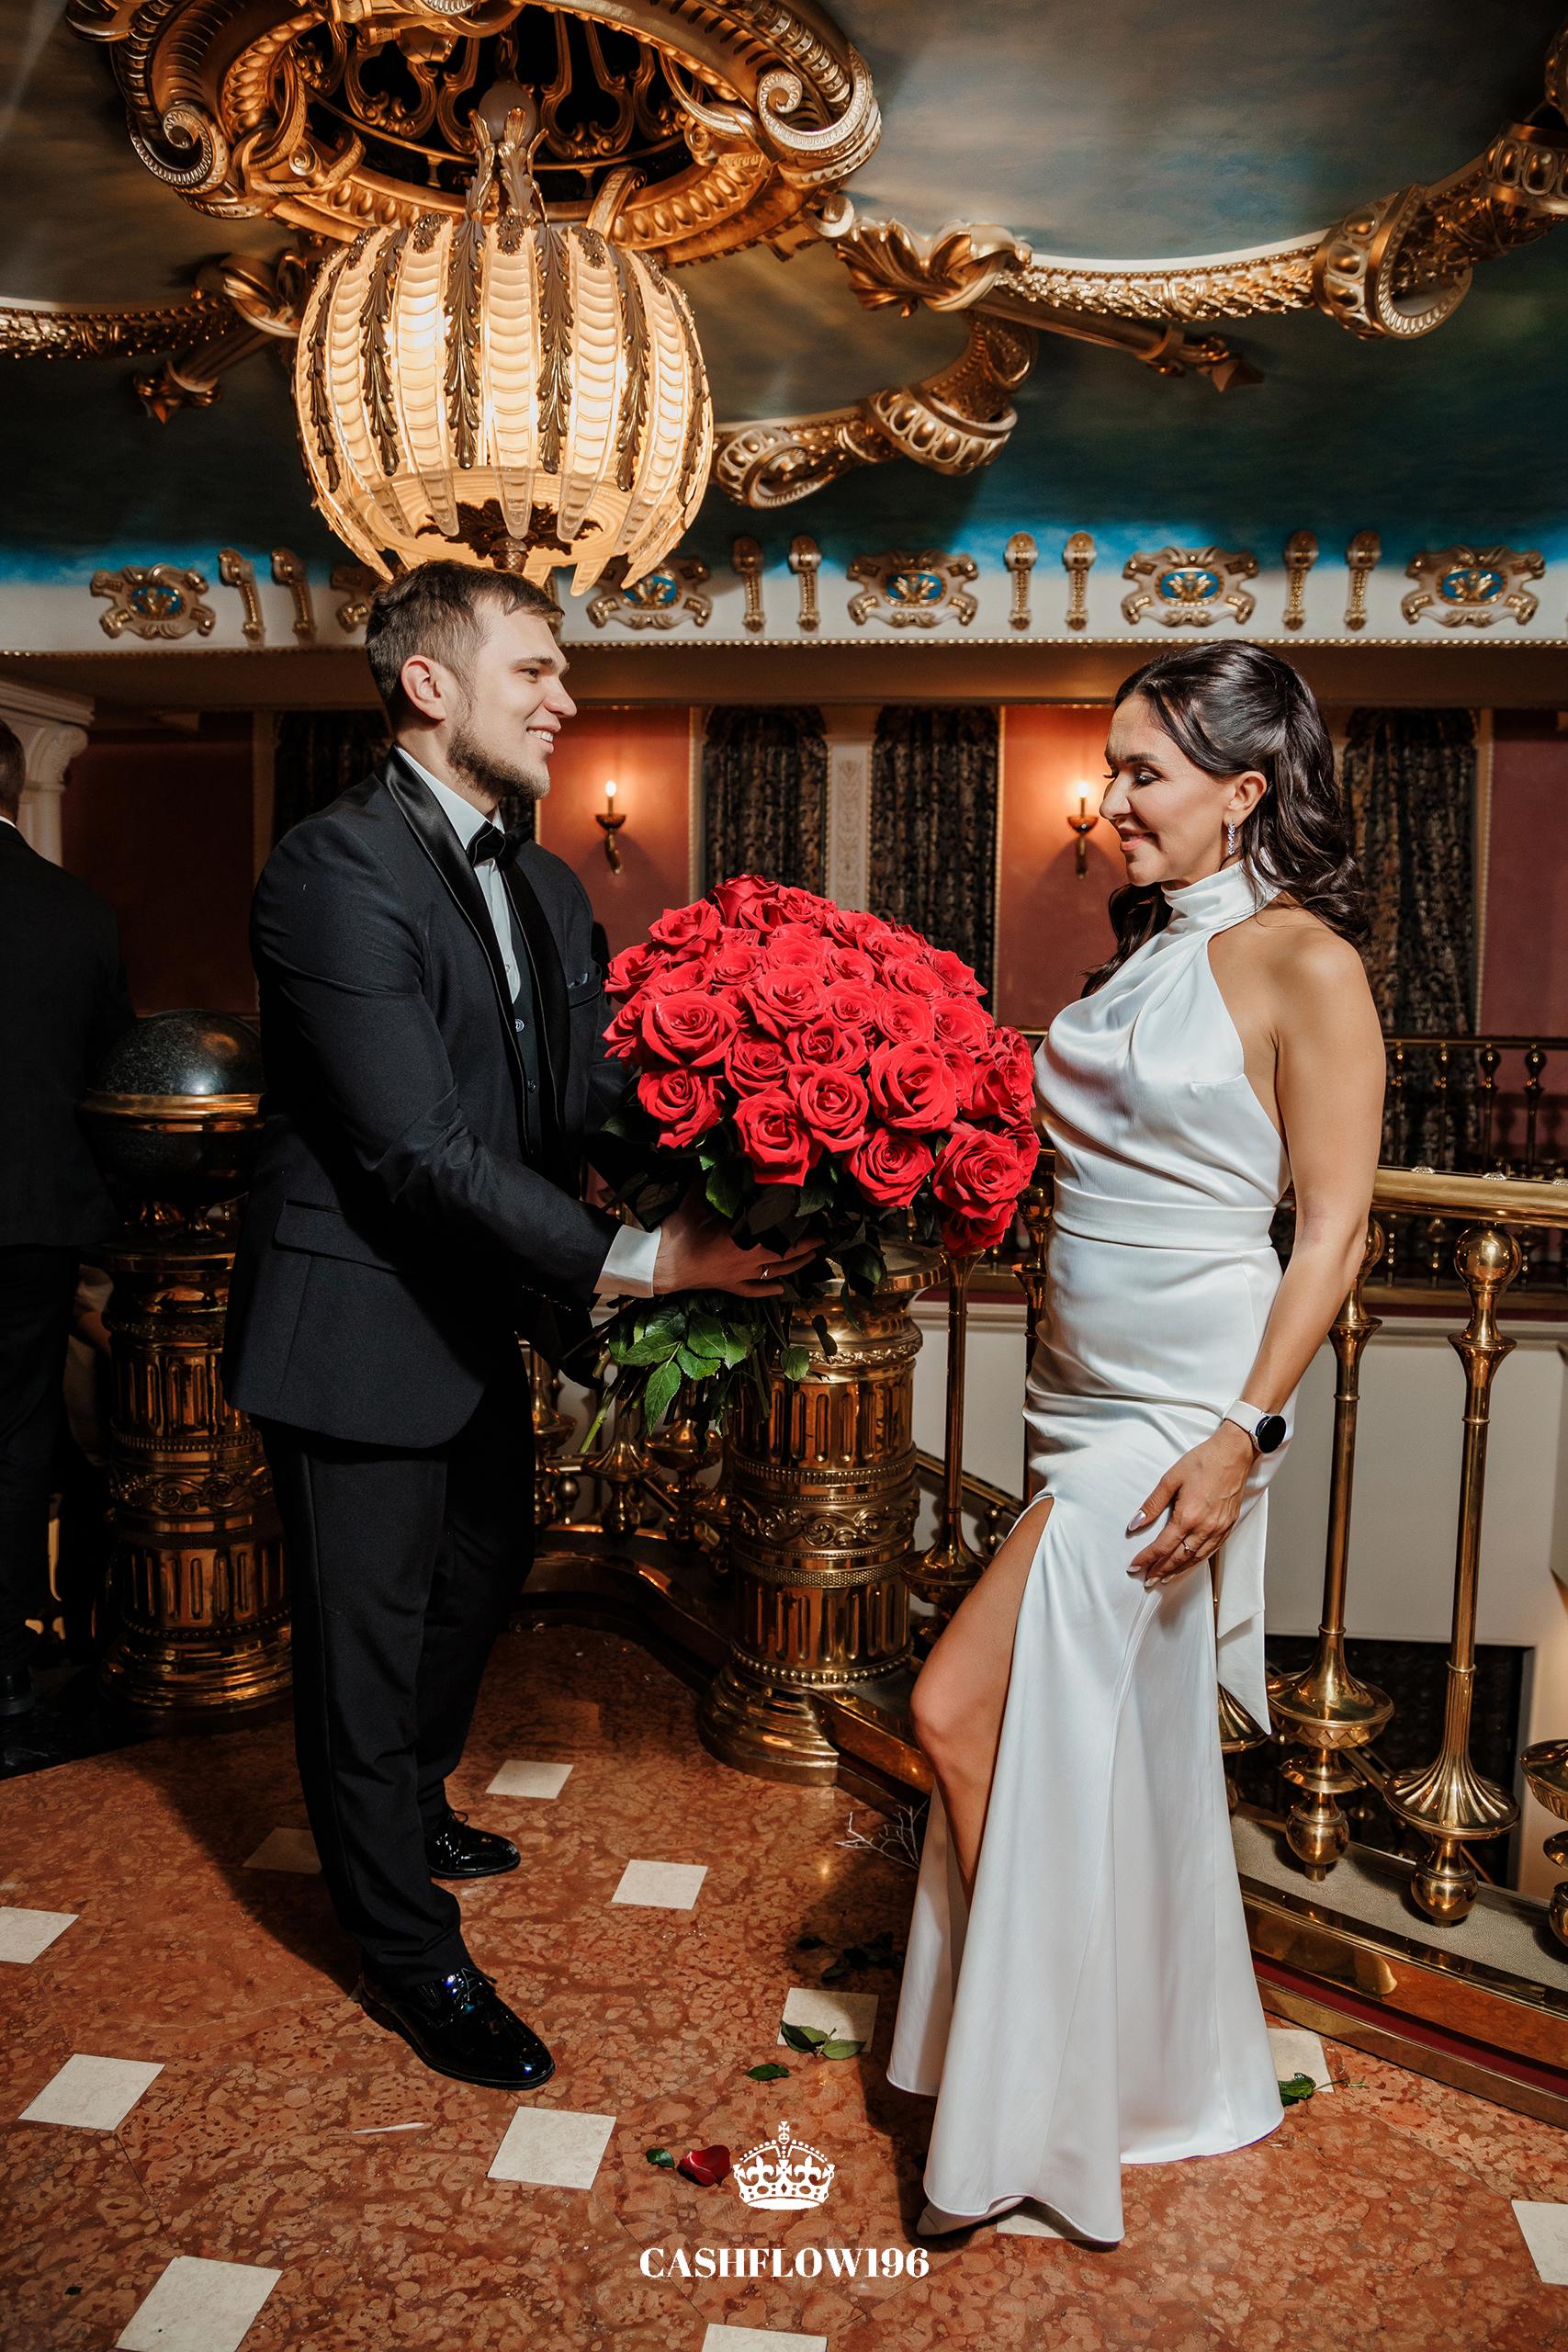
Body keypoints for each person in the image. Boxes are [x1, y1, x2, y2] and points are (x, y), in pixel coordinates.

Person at [223, 561, 811, 2091]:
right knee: (362, 1649)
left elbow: (582, 1096)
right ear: (428, 685)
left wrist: (772, 1121)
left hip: (472, 1309)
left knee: (480, 1572)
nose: (566, 698)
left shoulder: (545, 885)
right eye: (534, 670)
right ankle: (405, 1949)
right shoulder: (331, 869)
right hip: (352, 1321)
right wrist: (650, 1260)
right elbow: (417, 1151)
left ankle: (409, 1801)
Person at [887, 640, 1384, 2244]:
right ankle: (1104, 2066)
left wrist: (1241, 1433)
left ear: (1242, 793)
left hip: (1185, 1415)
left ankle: (1038, 2091)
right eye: (1110, 767)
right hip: (1076, 1394)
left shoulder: (1304, 963)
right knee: (1067, 1743)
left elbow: (1332, 1232)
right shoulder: (1141, 957)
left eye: (1140, 772)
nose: (1107, 799)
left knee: (955, 1709)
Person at [0, 718, 134, 1724]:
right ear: (13, 788)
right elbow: (113, 1084)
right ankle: (6, 1658)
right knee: (17, 1434)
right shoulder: (77, 912)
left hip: (37, 1212)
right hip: (33, 1217)